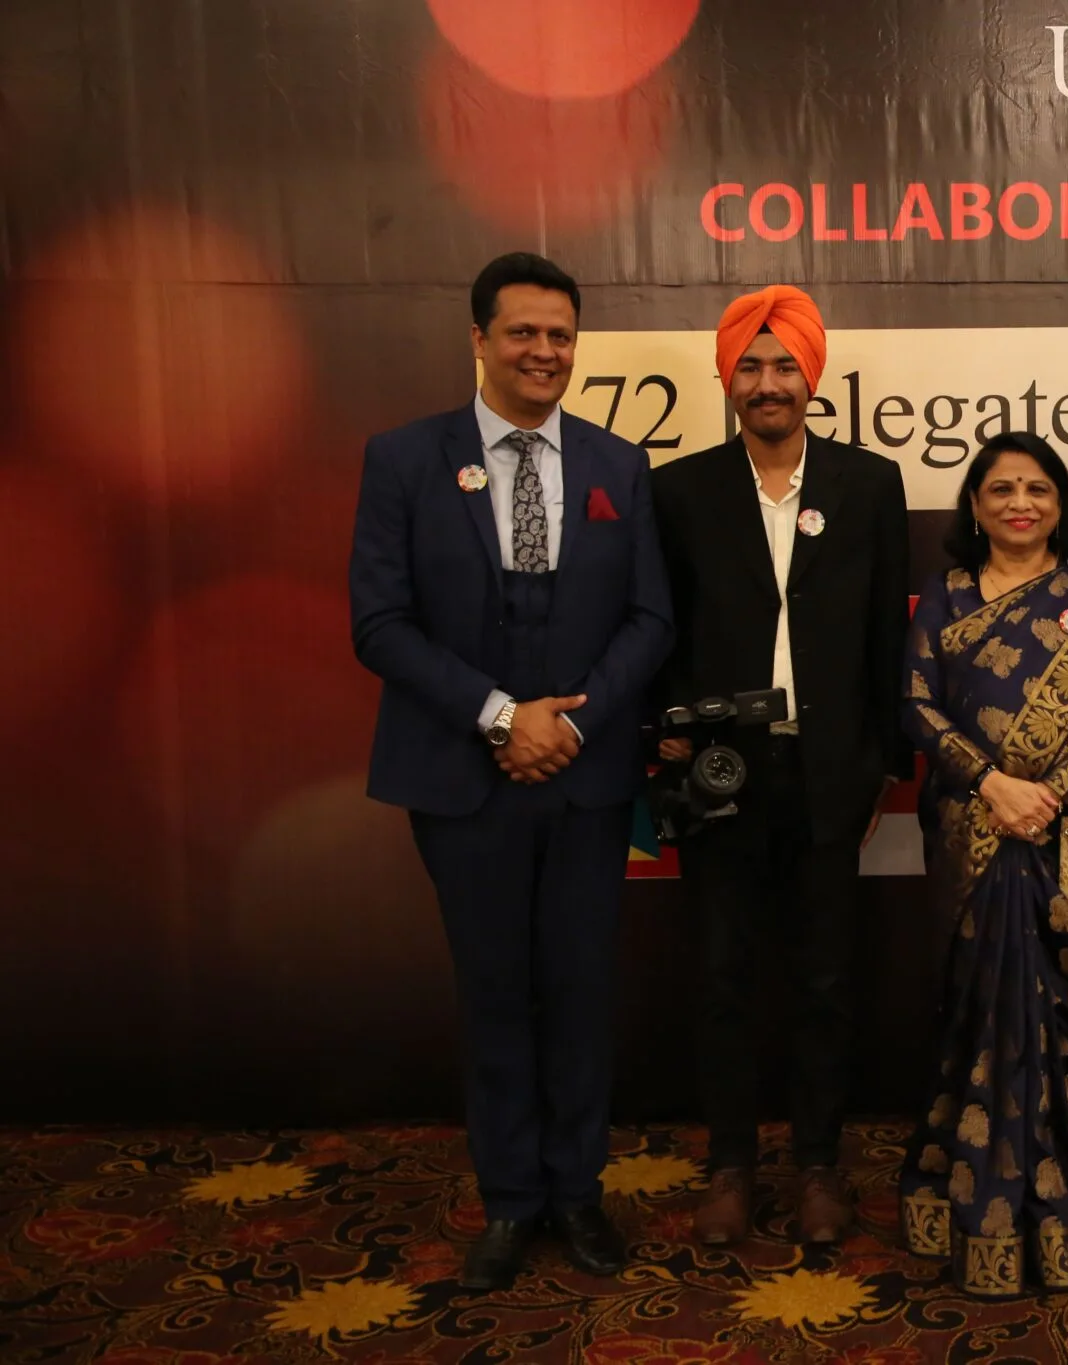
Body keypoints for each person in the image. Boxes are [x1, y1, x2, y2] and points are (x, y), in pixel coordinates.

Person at [348, 252, 673, 1290]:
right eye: (523, 333)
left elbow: (650, 618)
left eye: (560, 336)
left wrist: (570, 725)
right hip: (461, 776)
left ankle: (576, 1195)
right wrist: (500, 716)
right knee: (493, 993)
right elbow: (379, 623)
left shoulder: (619, 467)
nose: (544, 352)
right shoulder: (403, 459)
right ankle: (509, 1201)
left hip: (582, 776)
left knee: (578, 992)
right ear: (479, 340)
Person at [651, 285, 910, 1246]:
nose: (768, 384)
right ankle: (728, 1165)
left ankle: (817, 1166)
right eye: (751, 366)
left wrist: (881, 763)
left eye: (784, 366)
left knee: (826, 981)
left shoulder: (867, 484)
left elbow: (889, 632)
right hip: (718, 777)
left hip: (832, 776)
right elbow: (658, 627)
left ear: (813, 375)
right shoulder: (678, 490)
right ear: (728, 377)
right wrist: (664, 727)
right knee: (721, 977)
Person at [896, 431, 1068, 1299]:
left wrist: (1046, 791)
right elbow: (916, 706)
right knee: (976, 1020)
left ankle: (1059, 1206)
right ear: (974, 505)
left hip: (1066, 833)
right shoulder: (943, 598)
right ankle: (963, 1195)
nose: (1021, 502)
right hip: (972, 835)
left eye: (1039, 489)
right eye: (1001, 488)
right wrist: (993, 784)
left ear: (1061, 505)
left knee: (1060, 1021)